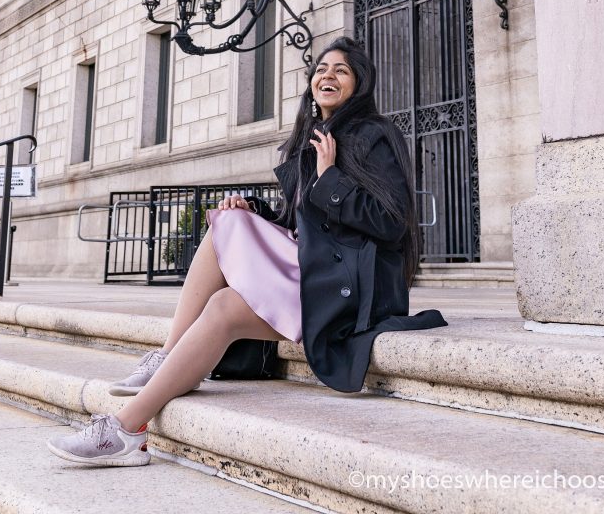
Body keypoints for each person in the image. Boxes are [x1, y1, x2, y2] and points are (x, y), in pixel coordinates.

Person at [48, 37, 447, 467]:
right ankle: (164, 359)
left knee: (222, 306)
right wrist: (251, 210)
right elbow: (301, 225)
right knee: (227, 222)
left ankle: (126, 428)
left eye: (341, 70)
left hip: (350, 293)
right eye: (321, 69)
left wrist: (330, 176)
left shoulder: (374, 136)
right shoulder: (310, 141)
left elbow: (391, 222)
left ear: (358, 84)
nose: (327, 76)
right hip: (314, 274)